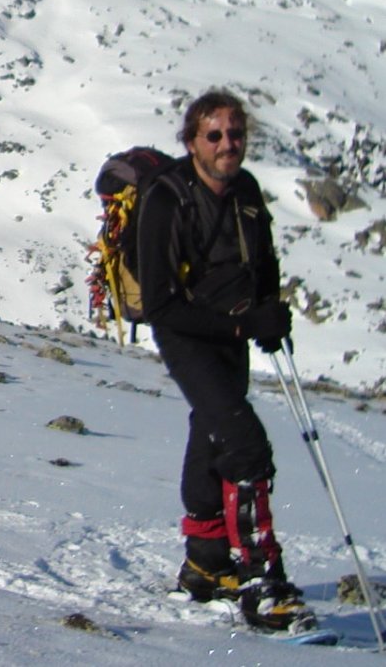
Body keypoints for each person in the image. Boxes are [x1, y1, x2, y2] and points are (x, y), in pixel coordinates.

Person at [135, 88, 309, 631]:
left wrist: (269, 313)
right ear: (192, 142)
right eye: (215, 135)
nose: (227, 144)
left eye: (235, 134)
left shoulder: (246, 191)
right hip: (187, 334)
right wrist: (243, 324)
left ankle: (207, 564)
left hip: (232, 329)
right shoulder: (167, 200)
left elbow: (264, 261)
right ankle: (263, 578)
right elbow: (161, 303)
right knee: (243, 443)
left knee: (211, 433)